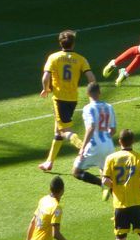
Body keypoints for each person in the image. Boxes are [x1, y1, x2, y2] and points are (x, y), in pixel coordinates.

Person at [38, 30, 96, 172]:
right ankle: (49, 162)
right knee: (58, 131)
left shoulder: (53, 57)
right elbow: (91, 78)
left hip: (59, 99)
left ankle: (84, 148)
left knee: (65, 131)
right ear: (73, 43)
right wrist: (92, 93)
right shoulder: (81, 59)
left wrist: (46, 88)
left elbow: (46, 76)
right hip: (72, 99)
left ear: (60, 43)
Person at [71, 82, 115, 198]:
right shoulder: (109, 107)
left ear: (87, 93)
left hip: (94, 147)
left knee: (76, 171)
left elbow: (91, 127)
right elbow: (113, 129)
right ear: (100, 93)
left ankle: (101, 184)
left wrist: (83, 148)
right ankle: (119, 202)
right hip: (109, 145)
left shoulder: (87, 108)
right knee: (107, 175)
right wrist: (105, 138)